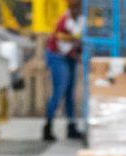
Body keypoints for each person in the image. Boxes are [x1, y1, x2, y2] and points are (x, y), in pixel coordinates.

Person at [44, 0, 84, 142]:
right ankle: (48, 127)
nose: (76, 9)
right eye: (73, 7)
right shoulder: (64, 22)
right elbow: (64, 45)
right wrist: (77, 54)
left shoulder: (81, 20)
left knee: (69, 93)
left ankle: (71, 127)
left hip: (69, 58)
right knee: (59, 91)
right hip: (57, 57)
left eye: (78, 6)